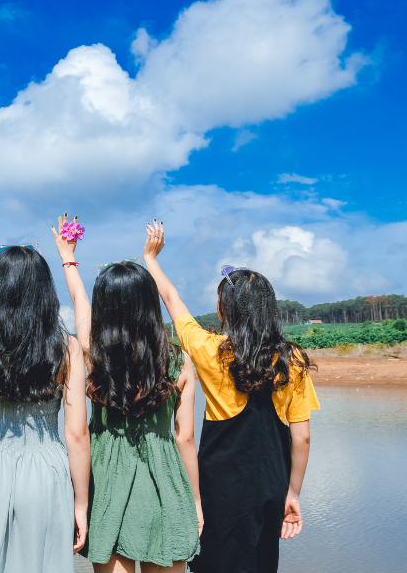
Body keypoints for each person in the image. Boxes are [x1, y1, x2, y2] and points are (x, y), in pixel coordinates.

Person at [142, 220, 319, 573]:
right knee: (262, 562)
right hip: (272, 478)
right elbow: (302, 437)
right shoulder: (293, 360)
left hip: (220, 484)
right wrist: (293, 494)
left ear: (225, 311)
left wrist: (151, 258)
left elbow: (172, 299)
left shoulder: (210, 350)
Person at [0, 180, 91, 573]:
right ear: (44, 293)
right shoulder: (66, 349)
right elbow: (77, 434)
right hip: (46, 468)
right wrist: (81, 504)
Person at [52, 215, 202, 573]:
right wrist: (195, 500)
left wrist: (68, 258)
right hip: (165, 483)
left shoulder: (93, 355)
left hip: (107, 484)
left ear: (104, 308)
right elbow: (185, 439)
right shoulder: (179, 360)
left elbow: (78, 298)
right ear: (149, 304)